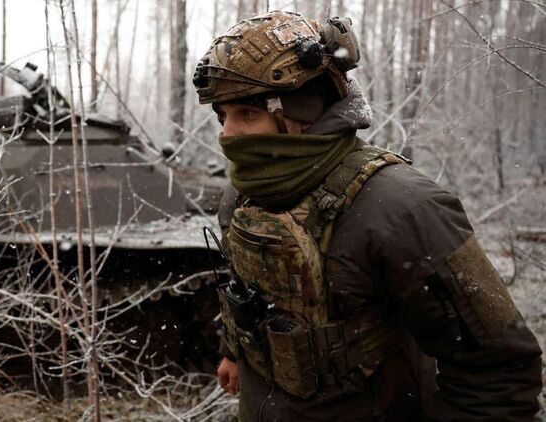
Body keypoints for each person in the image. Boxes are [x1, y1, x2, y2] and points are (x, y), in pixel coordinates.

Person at [193, 11, 542, 421]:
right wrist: (233, 352)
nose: (227, 134)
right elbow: (248, 290)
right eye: (223, 116)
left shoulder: (402, 208)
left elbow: (496, 370)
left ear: (302, 112)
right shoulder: (243, 194)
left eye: (247, 114)